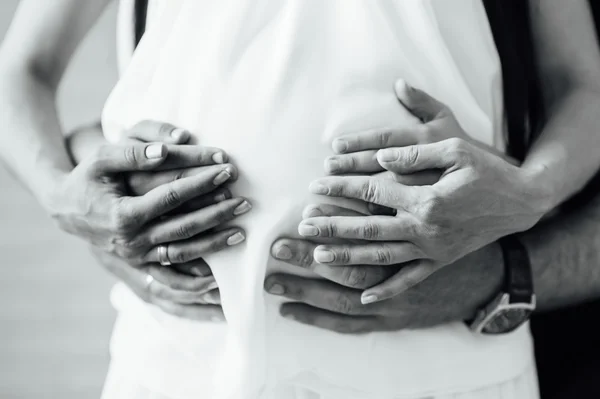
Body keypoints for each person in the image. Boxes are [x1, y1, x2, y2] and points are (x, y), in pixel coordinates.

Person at [1, 1, 600, 399]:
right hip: (183, 358)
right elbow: (20, 68)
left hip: (447, 361)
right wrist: (61, 193)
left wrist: (530, 193)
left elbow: (582, 82)